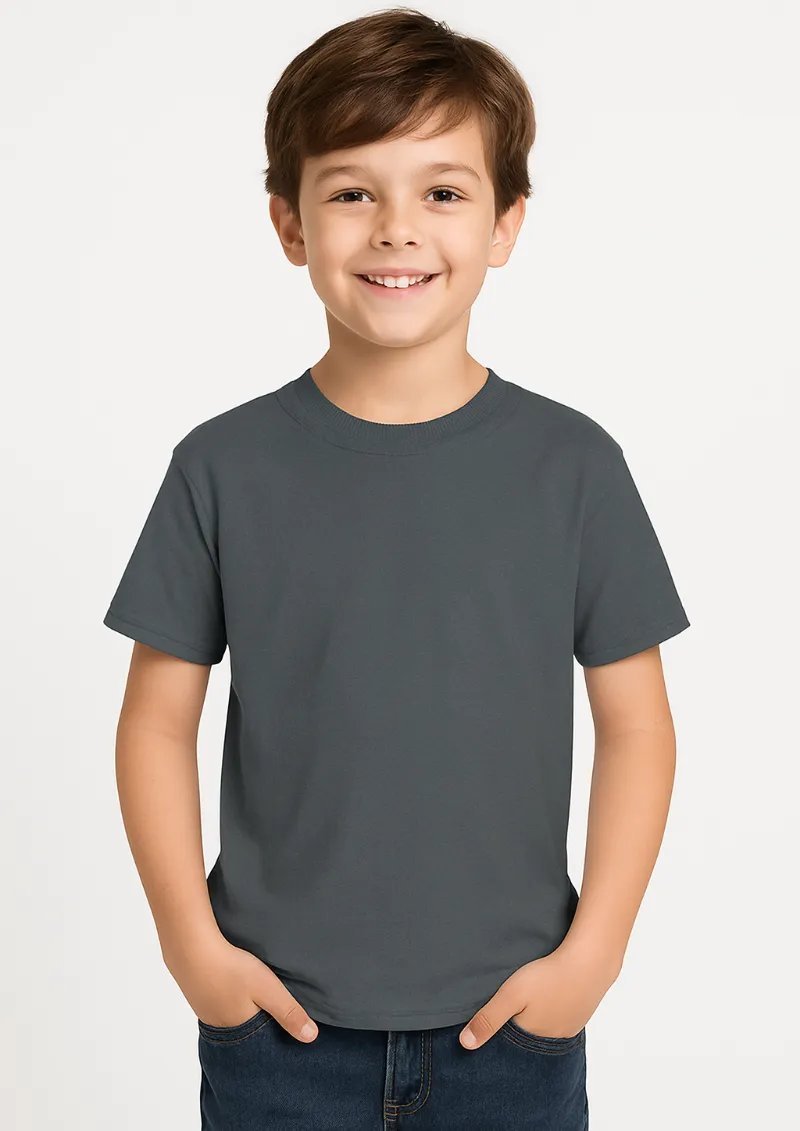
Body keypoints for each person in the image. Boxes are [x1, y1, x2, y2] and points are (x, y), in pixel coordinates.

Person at [102, 9, 691, 1129]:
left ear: (506, 222)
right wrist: (191, 948)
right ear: (289, 222)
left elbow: (638, 726)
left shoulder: (573, 466)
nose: (396, 229)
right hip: (278, 1032)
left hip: (512, 1029)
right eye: (351, 191)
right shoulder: (221, 466)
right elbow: (154, 723)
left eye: (442, 191)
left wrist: (593, 957)